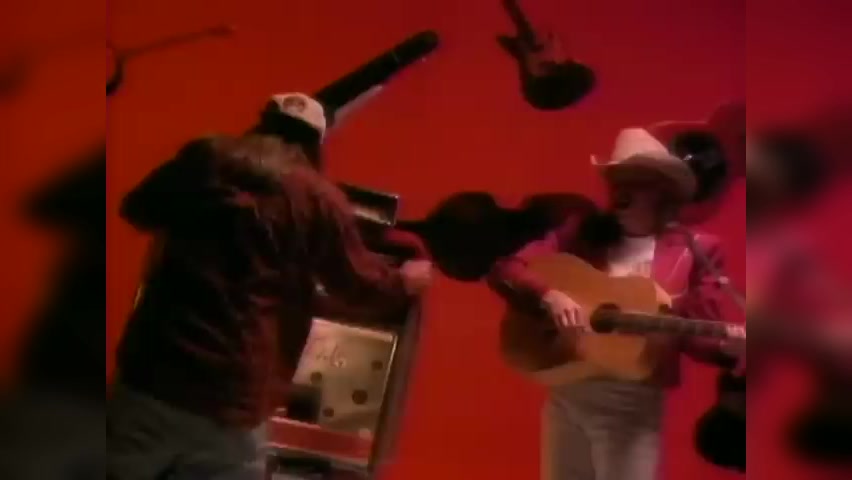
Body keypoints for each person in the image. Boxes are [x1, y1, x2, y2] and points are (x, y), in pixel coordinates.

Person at [107, 94, 432, 480]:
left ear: (261, 124)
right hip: (232, 399)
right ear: (316, 144)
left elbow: (137, 209)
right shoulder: (318, 197)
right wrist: (405, 280)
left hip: (151, 377)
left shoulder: (206, 160)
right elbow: (360, 286)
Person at [487, 127, 740, 480]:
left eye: (634, 182)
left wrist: (728, 349)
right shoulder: (582, 233)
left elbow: (695, 334)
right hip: (567, 388)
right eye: (616, 180)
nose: (620, 192)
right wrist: (550, 294)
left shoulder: (695, 249)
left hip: (632, 402)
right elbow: (508, 269)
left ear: (662, 191)